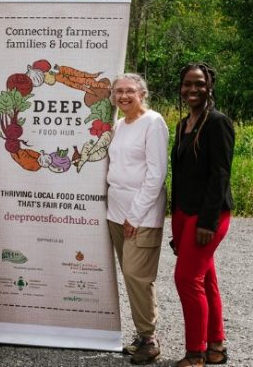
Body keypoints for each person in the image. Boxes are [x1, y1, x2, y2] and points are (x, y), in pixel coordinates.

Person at [170, 63, 235, 367]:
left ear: (210, 86)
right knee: (205, 278)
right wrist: (177, 224)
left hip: (209, 214)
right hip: (185, 213)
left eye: (199, 84)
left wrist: (207, 222)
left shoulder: (217, 122)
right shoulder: (184, 123)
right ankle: (217, 347)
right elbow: (181, 175)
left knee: (186, 279)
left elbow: (220, 175)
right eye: (187, 84)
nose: (192, 90)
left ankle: (195, 353)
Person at [105, 74, 168, 365]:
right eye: (118, 91)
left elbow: (156, 175)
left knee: (136, 275)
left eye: (130, 91)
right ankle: (142, 336)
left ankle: (150, 338)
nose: (124, 96)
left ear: (142, 93)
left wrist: (135, 214)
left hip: (140, 215)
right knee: (130, 276)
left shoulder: (153, 123)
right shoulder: (119, 124)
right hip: (116, 212)